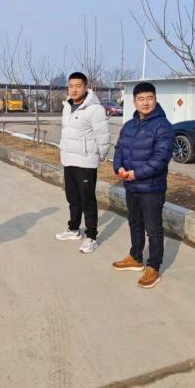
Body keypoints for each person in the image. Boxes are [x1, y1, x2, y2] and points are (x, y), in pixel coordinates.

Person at [111, 82, 175, 288]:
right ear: (134, 102)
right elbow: (119, 148)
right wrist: (118, 167)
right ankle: (135, 257)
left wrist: (136, 173)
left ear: (155, 100)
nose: (145, 103)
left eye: (149, 98)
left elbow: (160, 159)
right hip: (131, 185)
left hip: (151, 188)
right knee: (134, 222)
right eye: (141, 99)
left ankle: (154, 266)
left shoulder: (163, 126)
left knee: (153, 228)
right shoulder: (129, 125)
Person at [55, 72, 111, 253]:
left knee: (87, 200)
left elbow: (103, 137)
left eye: (78, 86)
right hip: (69, 160)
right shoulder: (67, 106)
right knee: (72, 198)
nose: (74, 90)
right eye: (71, 86)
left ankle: (91, 236)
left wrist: (99, 156)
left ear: (86, 87)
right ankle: (73, 229)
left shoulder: (95, 109)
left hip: (86, 162)